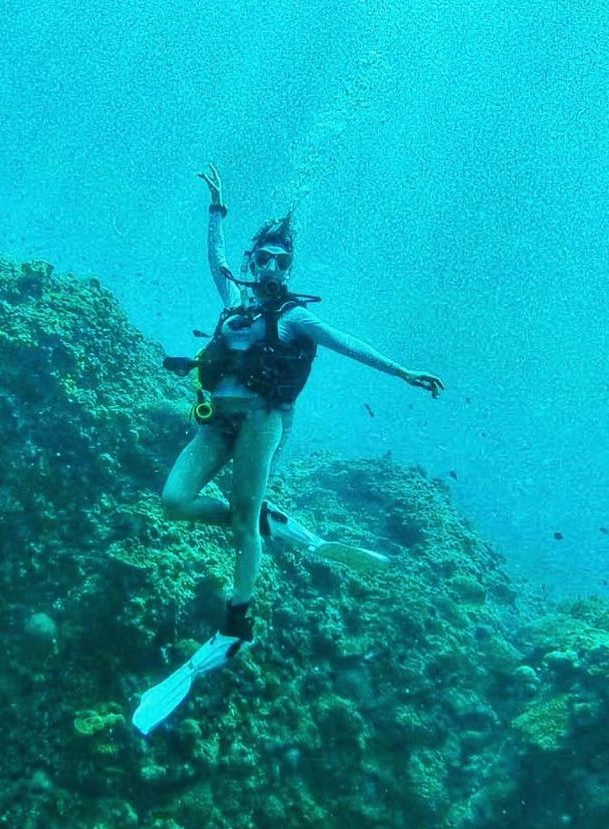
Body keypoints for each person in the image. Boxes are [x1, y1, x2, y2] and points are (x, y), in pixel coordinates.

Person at [131, 165, 445, 735]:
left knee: (242, 526)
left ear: (288, 267)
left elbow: (349, 344)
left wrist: (404, 373)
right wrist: (216, 210)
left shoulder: (295, 316)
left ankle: (237, 621)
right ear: (253, 260)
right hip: (216, 424)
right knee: (173, 500)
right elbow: (213, 260)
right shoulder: (233, 300)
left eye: (281, 260)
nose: (271, 266)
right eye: (264, 258)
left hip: (260, 424)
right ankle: (264, 520)